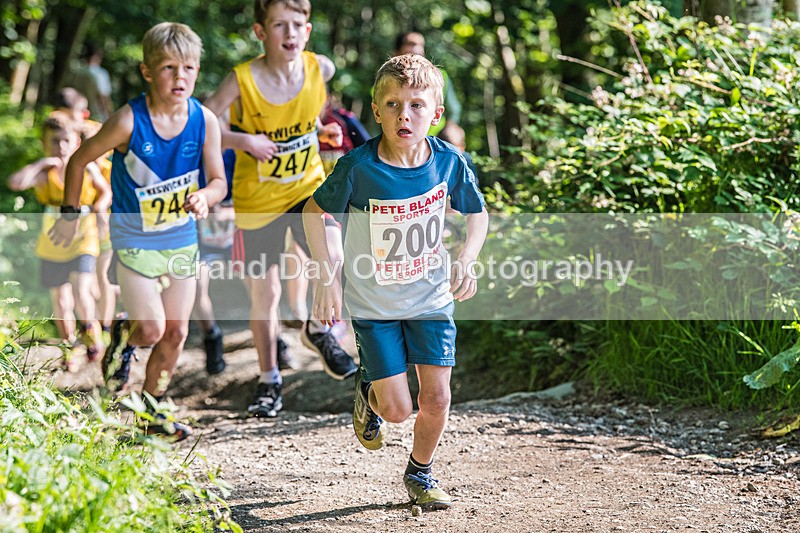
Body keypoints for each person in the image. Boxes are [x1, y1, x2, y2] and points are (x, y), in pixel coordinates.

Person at [303, 54, 488, 509]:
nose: (405, 114)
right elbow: (313, 210)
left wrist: (467, 255)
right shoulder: (359, 166)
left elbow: (477, 214)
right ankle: (369, 389)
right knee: (399, 410)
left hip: (431, 296)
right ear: (376, 109)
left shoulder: (449, 162)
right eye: (393, 104)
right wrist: (327, 275)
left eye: (417, 105)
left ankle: (420, 473)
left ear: (436, 114)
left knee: (438, 396)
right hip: (374, 303)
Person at [49, 22, 228, 441]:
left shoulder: (205, 121)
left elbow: (219, 181)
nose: (179, 77)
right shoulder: (130, 120)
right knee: (150, 328)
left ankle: (151, 411)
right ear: (148, 72)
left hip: (181, 237)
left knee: (178, 331)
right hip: (133, 237)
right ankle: (122, 340)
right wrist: (70, 214)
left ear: (197, 71)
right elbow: (77, 161)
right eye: (168, 68)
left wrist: (206, 196)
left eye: (188, 68)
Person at [205, 0, 357, 419]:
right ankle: (269, 380)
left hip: (305, 189)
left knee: (335, 258)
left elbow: (311, 116)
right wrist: (243, 142)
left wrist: (318, 130)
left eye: (297, 25)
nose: (289, 34)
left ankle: (315, 327)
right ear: (260, 32)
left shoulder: (320, 68)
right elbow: (202, 120)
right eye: (278, 25)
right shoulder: (240, 80)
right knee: (266, 294)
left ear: (307, 30)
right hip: (257, 203)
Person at [7, 111, 110, 368]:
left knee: (81, 288)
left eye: (66, 140)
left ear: (77, 142)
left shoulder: (88, 167)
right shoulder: (46, 174)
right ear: (45, 143)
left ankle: (91, 332)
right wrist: (42, 163)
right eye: (54, 141)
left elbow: (105, 191)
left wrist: (99, 209)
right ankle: (69, 349)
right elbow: (16, 183)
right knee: (61, 300)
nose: (61, 146)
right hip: (52, 245)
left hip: (84, 238)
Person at [55, 87, 118, 334]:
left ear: (83, 113)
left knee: (102, 273)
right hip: (80, 214)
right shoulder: (61, 135)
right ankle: (92, 324)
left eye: (69, 116)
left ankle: (106, 327)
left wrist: (102, 205)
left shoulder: (97, 132)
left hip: (102, 210)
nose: (64, 122)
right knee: (87, 278)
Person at [394, 31, 462, 136]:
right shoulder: (387, 81)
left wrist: (449, 133)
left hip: (435, 139)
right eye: (411, 44)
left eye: (421, 45)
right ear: (397, 51)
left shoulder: (439, 77)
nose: (417, 49)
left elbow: (454, 110)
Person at [72, 43, 113, 122]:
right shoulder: (100, 74)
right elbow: (103, 97)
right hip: (95, 115)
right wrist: (109, 115)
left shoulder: (76, 73)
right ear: (96, 56)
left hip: (76, 114)